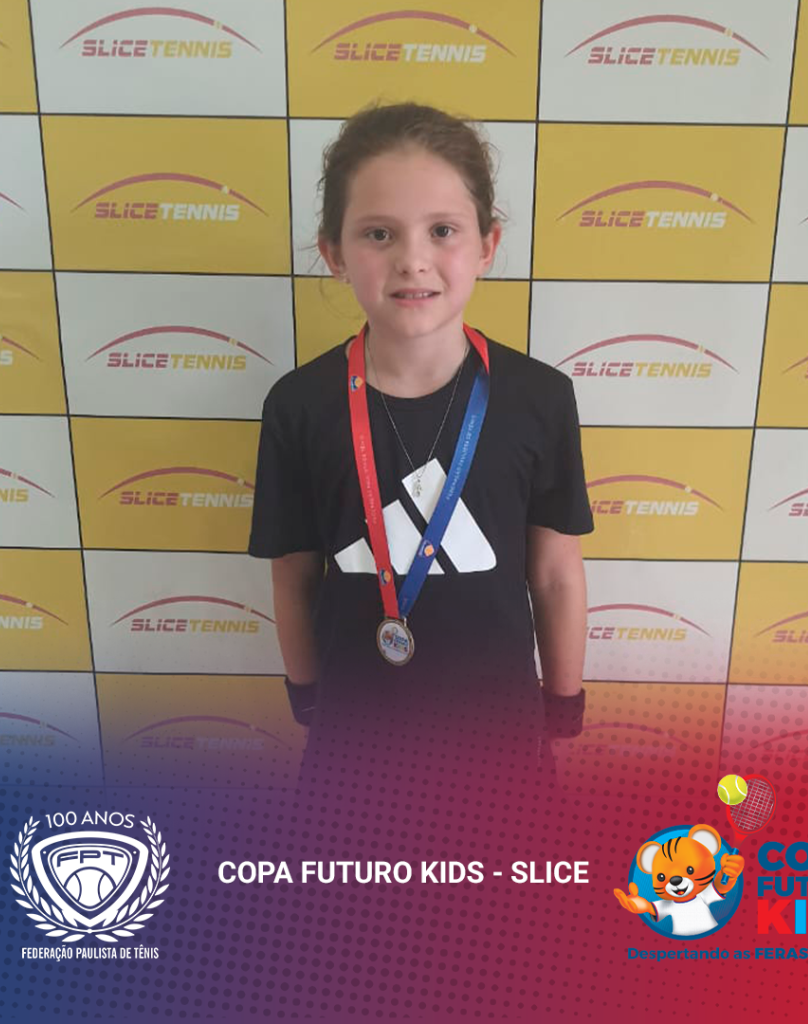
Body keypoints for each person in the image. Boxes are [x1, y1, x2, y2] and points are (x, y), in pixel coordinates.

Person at [248, 102, 593, 807]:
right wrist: (307, 698)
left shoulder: (539, 397)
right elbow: (294, 574)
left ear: (487, 245)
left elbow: (556, 573)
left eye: (443, 230)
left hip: (501, 751)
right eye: (379, 233)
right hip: (353, 753)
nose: (412, 259)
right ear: (334, 253)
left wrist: (563, 707)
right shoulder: (299, 405)